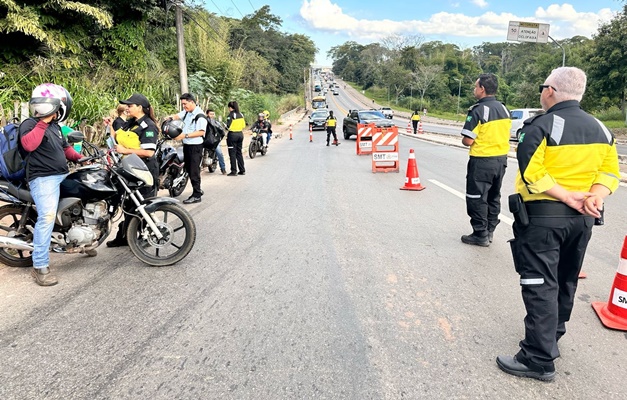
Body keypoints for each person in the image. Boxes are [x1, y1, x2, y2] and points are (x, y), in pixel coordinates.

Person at [496, 67, 620, 381]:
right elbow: (609, 173)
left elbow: (532, 173)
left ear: (550, 90)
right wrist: (595, 196)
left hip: (544, 219)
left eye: (542, 87)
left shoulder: (541, 125)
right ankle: (551, 339)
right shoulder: (603, 130)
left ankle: (537, 359)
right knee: (565, 279)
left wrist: (567, 196)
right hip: (583, 220)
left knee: (539, 283)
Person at [19, 83, 84, 286]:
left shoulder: (55, 127)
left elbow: (66, 149)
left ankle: (84, 240)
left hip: (62, 174)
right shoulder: (29, 124)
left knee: (83, 198)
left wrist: (82, 159)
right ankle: (39, 266)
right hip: (42, 179)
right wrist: (43, 122)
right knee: (47, 216)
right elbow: (29, 144)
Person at [460, 73, 511, 247]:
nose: (475, 89)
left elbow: (468, 140)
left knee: (476, 197)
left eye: (476, 87)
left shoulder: (478, 110)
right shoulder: (504, 109)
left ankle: (480, 233)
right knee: (493, 196)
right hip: (501, 160)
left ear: (482, 89)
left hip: (482, 160)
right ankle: (489, 230)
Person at [106, 93, 160, 248]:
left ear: (140, 107)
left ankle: (145, 236)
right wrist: (110, 126)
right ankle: (125, 236)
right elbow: (118, 138)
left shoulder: (148, 126)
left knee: (143, 205)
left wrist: (126, 150)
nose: (127, 108)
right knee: (129, 205)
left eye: (130, 106)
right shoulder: (131, 123)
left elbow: (149, 152)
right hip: (129, 169)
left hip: (144, 170)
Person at [168, 93, 207, 204]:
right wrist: (170, 118)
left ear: (192, 102)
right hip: (187, 145)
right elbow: (178, 116)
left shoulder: (200, 116)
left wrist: (184, 136)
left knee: (194, 171)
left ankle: (196, 195)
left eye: (185, 104)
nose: (184, 106)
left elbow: (201, 132)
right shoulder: (187, 112)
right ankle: (198, 189)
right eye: (182, 104)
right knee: (189, 169)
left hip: (195, 146)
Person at [226, 101, 245, 176]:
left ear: (230, 108)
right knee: (239, 152)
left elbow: (228, 126)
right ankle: (242, 170)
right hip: (240, 134)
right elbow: (243, 125)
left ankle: (234, 171)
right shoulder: (241, 114)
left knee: (232, 153)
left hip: (232, 135)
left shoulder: (231, 115)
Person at [205, 109, 227, 175]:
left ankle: (223, 168)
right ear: (207, 114)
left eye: (213, 114)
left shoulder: (217, 123)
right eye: (210, 114)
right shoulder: (204, 121)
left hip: (214, 141)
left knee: (219, 153)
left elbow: (221, 130)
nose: (212, 115)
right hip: (205, 140)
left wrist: (218, 139)